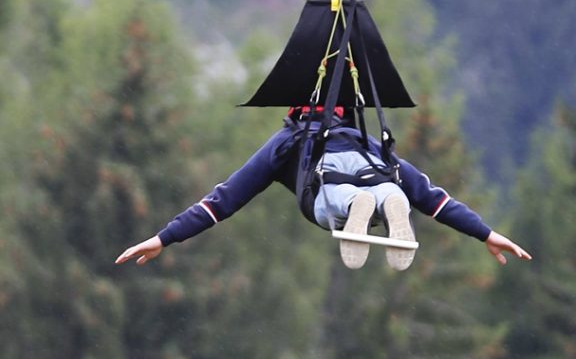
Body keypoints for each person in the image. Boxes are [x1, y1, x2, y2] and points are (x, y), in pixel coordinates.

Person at [115, 106, 532, 272]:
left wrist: (163, 238)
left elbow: (222, 200)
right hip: (373, 169)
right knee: (398, 192)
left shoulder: (287, 142)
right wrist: (486, 233)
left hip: (328, 183)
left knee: (334, 200)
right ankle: (386, 203)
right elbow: (433, 196)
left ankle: (356, 205)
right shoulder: (364, 138)